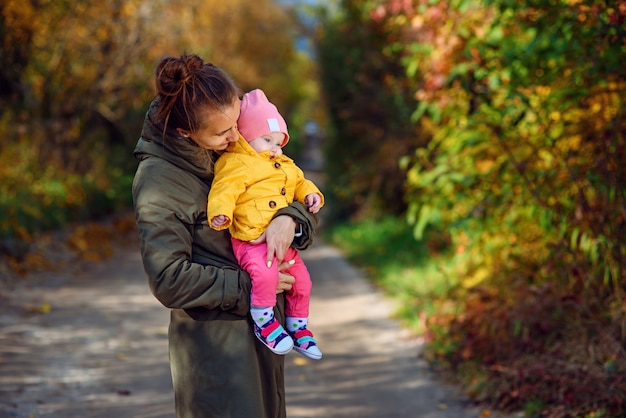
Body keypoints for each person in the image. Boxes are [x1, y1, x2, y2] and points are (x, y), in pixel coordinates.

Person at [132, 54, 318, 418]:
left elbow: (286, 187)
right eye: (223, 132)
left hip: (262, 334)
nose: (237, 137)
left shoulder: (232, 150)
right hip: (217, 349)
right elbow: (168, 279)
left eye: (236, 123)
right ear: (185, 132)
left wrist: (290, 218)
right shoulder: (158, 181)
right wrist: (253, 287)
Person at [208, 89, 324, 360]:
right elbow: (224, 189)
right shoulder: (236, 162)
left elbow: (300, 182)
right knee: (265, 276)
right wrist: (221, 212)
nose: (275, 148)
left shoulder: (285, 164)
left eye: (279, 142)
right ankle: (264, 320)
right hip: (251, 241)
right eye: (267, 140)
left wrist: (311, 194)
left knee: (302, 281)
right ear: (247, 139)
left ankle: (299, 326)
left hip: (282, 242)